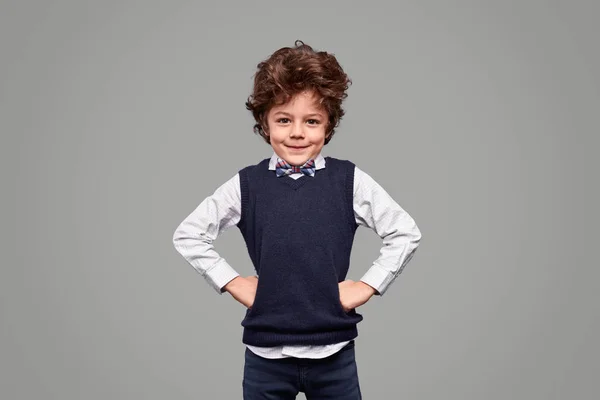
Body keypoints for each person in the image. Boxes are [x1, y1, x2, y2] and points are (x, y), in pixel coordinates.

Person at [172, 40, 422, 399]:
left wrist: (368, 285)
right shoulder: (247, 184)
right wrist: (232, 282)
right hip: (265, 358)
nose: (297, 133)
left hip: (334, 353)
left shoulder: (349, 181)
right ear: (265, 122)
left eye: (312, 121)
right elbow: (189, 234)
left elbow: (405, 232)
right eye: (284, 120)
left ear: (329, 124)